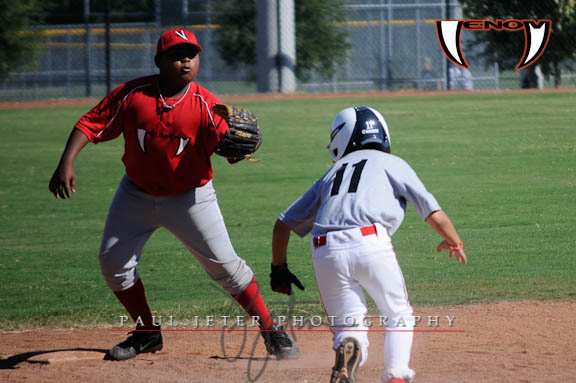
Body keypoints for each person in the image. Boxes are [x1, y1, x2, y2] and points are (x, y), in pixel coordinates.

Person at [48, 28, 299, 361]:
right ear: (158, 61)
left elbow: (228, 145)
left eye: (191, 54)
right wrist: (66, 162)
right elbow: (91, 123)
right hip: (135, 194)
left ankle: (272, 332)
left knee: (227, 267)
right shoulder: (132, 94)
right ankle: (146, 332)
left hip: (191, 198)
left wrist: (236, 151)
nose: (185, 60)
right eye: (176, 54)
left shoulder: (206, 105)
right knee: (113, 264)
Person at [269, 107, 467, 383]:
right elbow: (433, 213)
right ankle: (397, 375)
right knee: (398, 314)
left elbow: (283, 223)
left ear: (341, 139)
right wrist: (454, 241)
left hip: (324, 249)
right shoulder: (393, 163)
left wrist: (278, 267)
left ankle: (349, 345)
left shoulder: (331, 173)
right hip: (369, 241)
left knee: (348, 324)